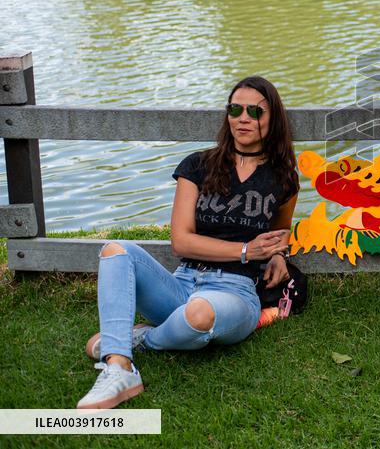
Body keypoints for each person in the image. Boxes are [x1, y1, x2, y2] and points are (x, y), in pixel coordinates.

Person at [76, 77, 300, 409]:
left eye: (255, 111)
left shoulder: (283, 176)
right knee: (115, 251)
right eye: (235, 109)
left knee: (199, 315)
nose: (243, 118)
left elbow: (280, 232)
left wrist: (278, 255)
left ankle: (141, 339)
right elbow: (181, 241)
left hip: (236, 292)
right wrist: (244, 250)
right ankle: (119, 366)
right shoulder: (197, 165)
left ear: (272, 118)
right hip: (182, 282)